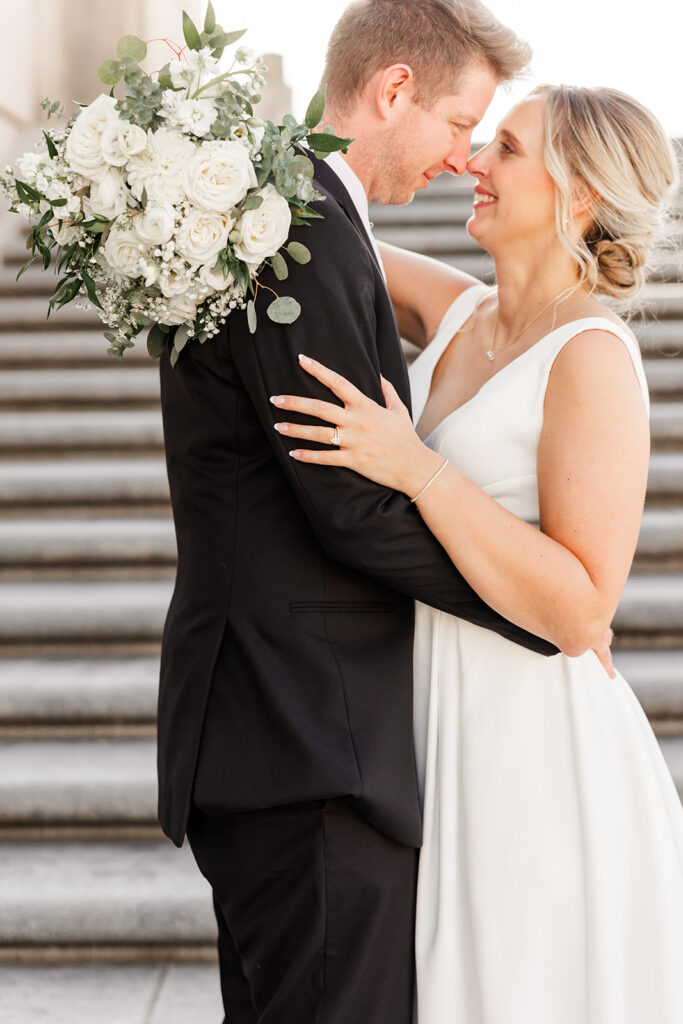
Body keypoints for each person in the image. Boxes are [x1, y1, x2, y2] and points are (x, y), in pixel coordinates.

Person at [155, 2, 564, 1022]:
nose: (462, 158)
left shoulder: (279, 220)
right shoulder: (301, 236)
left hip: (269, 729)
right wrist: (541, 606)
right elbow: (350, 507)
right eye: (460, 124)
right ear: (392, 91)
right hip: (308, 747)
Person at [273, 84, 683, 1021]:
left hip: (527, 733)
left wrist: (417, 471)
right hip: (428, 706)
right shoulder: (460, 314)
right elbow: (322, 234)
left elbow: (582, 609)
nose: (471, 163)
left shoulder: (591, 356)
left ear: (576, 194)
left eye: (504, 149)